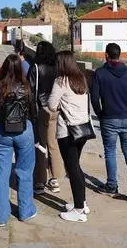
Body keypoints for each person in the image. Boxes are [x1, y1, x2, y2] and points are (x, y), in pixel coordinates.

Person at [0, 54, 39, 227]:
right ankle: (25, 211)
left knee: (2, 174)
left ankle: (1, 216)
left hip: (2, 132)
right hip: (24, 131)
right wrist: (37, 137)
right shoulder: (27, 87)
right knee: (25, 172)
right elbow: (34, 113)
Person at [91, 43, 127, 201]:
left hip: (109, 118)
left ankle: (112, 185)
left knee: (110, 152)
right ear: (119, 55)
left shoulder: (100, 74)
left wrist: (100, 114)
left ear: (106, 55)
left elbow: (94, 98)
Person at [48, 51, 92, 222]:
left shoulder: (60, 81)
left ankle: (79, 211)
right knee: (76, 167)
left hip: (67, 132)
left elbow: (52, 105)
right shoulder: (81, 79)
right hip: (82, 129)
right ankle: (82, 203)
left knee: (72, 169)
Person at [27, 41, 64, 195]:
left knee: (40, 145)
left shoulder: (35, 68)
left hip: (40, 109)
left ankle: (39, 182)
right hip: (55, 109)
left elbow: (30, 91)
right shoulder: (57, 68)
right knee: (53, 143)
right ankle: (55, 179)